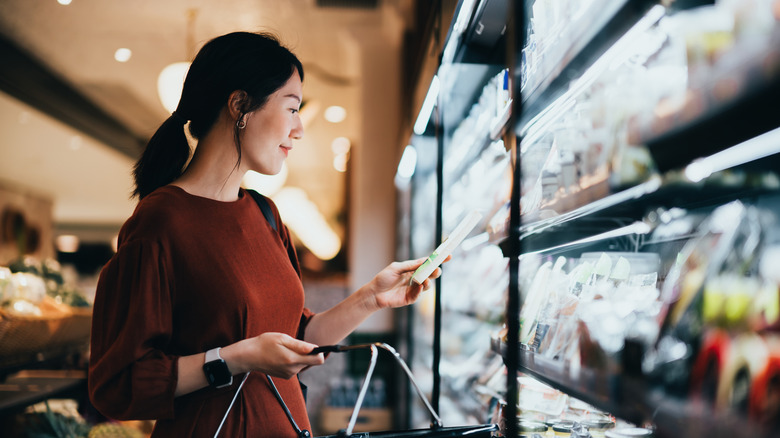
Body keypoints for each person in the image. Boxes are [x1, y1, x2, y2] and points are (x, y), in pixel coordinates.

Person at [88, 31, 443, 437]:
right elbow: (116, 385)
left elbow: (298, 337)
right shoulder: (160, 221)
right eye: (292, 108)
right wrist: (236, 358)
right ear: (240, 105)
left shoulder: (264, 212)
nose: (299, 129)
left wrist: (371, 298)